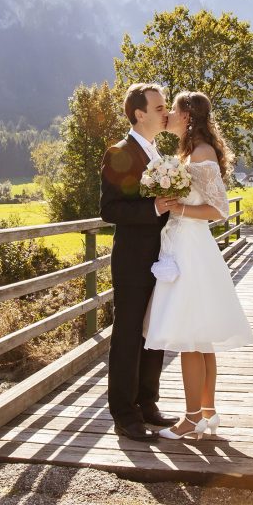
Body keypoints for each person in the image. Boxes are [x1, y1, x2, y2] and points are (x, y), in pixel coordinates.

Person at [142, 90, 253, 440]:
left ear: (187, 115)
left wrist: (179, 209)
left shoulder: (201, 153)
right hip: (183, 246)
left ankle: (191, 419)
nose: (167, 116)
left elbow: (218, 209)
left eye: (172, 110)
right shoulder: (191, 152)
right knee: (200, 340)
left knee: (191, 339)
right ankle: (207, 413)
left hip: (191, 250)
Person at [99, 82, 178, 441]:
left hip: (161, 258)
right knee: (129, 335)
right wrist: (154, 207)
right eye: (160, 108)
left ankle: (147, 403)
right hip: (132, 260)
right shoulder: (120, 152)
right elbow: (109, 209)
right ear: (139, 114)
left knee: (154, 332)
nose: (166, 113)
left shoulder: (158, 156)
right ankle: (124, 415)